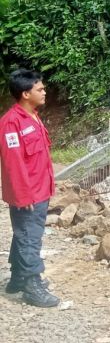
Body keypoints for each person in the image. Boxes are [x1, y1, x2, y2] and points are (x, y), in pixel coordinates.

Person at [1, 69, 60, 307]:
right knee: (30, 238)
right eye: (40, 89)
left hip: (40, 189)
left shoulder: (33, 116)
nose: (44, 92)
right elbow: (12, 162)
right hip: (28, 194)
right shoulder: (10, 123)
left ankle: (16, 278)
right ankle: (31, 286)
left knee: (25, 234)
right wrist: (23, 195)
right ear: (26, 93)